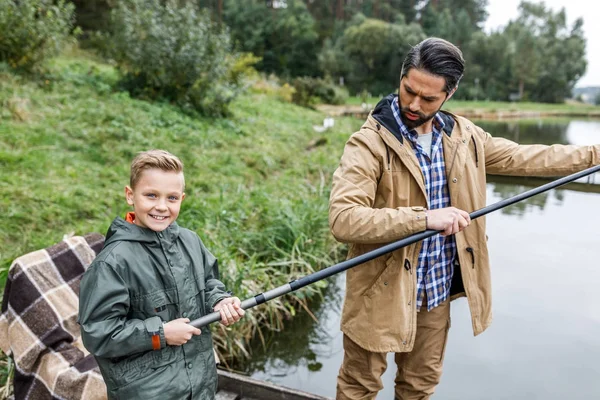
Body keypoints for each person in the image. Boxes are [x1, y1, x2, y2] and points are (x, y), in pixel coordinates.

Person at [328, 37, 600, 400]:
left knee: (419, 388)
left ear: (450, 93)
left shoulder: (465, 136)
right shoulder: (367, 144)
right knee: (359, 388)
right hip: (379, 294)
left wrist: (595, 153)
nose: (413, 103)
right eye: (409, 90)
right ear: (402, 76)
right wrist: (424, 219)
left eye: (428, 99)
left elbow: (531, 158)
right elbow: (344, 219)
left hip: (436, 293)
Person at [79, 149, 245, 400]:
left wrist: (219, 300)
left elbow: (210, 281)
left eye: (172, 198)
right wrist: (160, 334)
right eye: (151, 195)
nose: (161, 206)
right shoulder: (112, 263)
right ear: (129, 195)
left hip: (201, 383)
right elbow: (99, 334)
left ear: (182, 198)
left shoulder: (190, 240)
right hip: (147, 392)